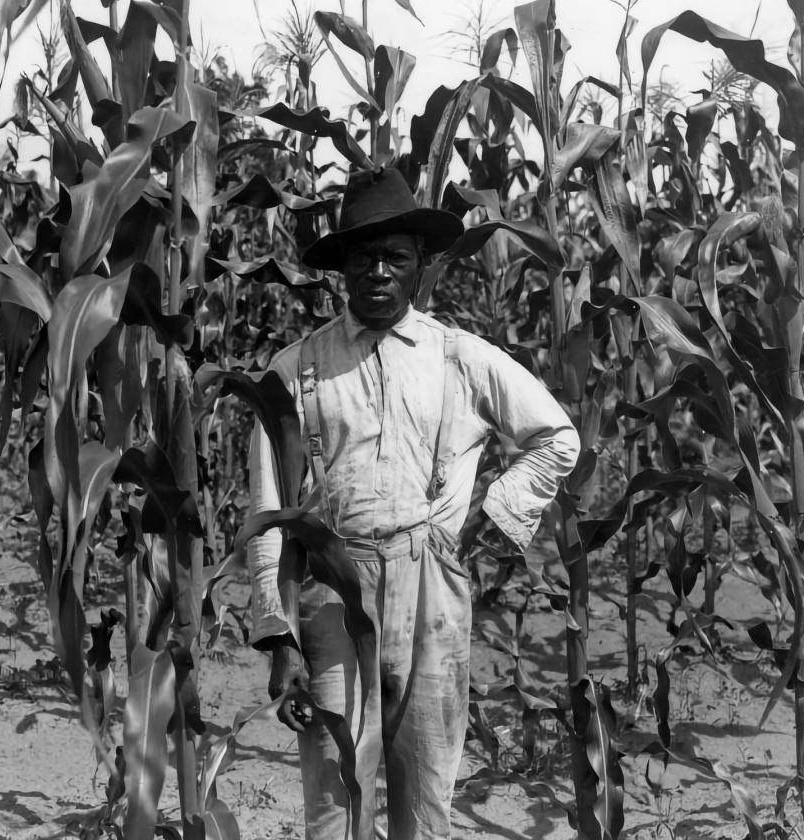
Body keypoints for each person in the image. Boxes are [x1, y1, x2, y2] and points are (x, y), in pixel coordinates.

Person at [245, 167, 581, 840]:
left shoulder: (459, 356)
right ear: (341, 267)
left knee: (426, 791)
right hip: (334, 593)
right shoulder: (294, 371)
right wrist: (278, 635)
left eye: (394, 257)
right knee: (336, 798)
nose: (377, 271)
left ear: (419, 265)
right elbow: (269, 507)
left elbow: (557, 436)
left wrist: (497, 516)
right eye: (363, 258)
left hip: (434, 587)